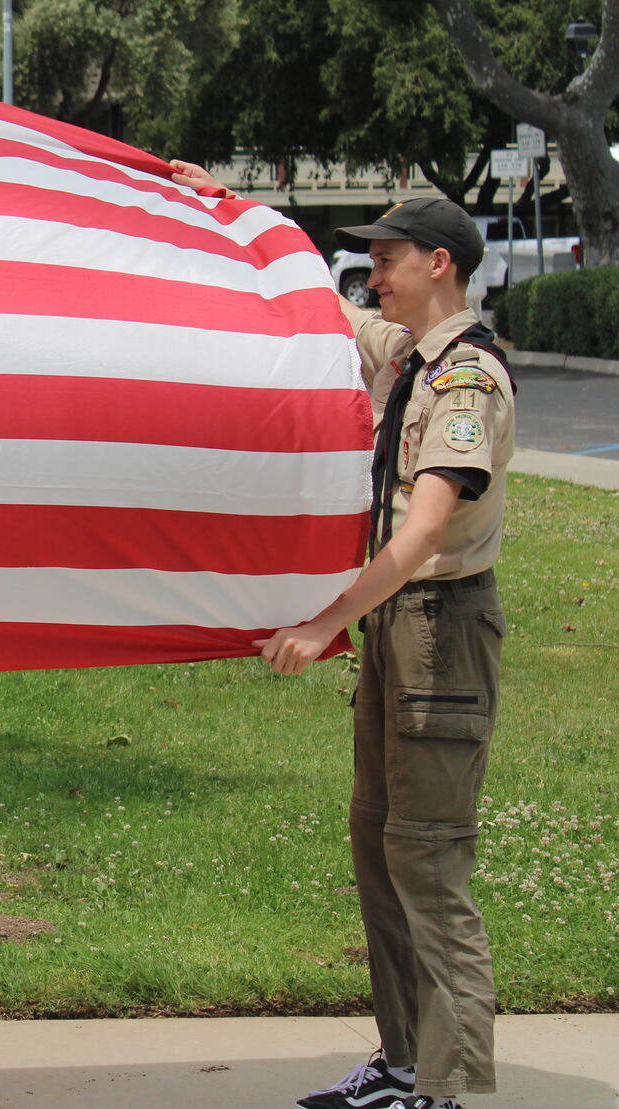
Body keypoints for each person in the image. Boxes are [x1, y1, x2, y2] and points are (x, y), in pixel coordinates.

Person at [173, 163, 512, 1109]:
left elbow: (425, 529)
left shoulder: (467, 380)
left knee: (428, 856)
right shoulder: (411, 355)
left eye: (390, 257)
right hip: (400, 626)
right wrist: (235, 209)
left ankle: (443, 1087)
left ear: (440, 263)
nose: (374, 273)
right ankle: (402, 1065)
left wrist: (328, 618)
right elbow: (327, 306)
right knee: (380, 844)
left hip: (441, 629)